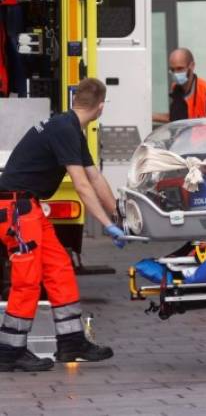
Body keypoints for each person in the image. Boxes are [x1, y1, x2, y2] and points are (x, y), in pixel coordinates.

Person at [0, 78, 125, 372]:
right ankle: (9, 351)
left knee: (59, 268)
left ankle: (71, 343)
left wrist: (119, 214)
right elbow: (82, 185)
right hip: (16, 209)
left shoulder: (69, 127)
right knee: (28, 280)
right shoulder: (64, 129)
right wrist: (107, 225)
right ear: (101, 107)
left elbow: (95, 177)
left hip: (28, 209)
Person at [152, 48, 206, 123]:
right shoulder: (176, 90)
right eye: (172, 70)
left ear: (192, 66)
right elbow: (176, 118)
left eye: (180, 68)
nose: (176, 73)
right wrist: (150, 116)